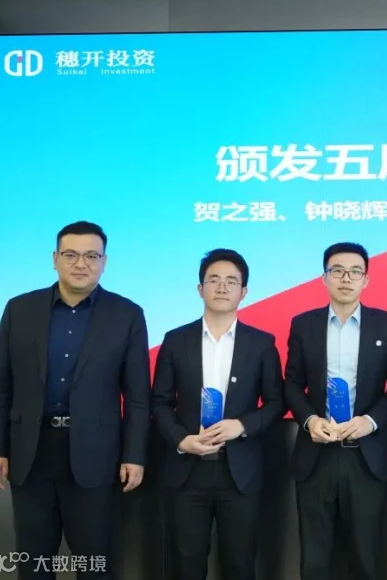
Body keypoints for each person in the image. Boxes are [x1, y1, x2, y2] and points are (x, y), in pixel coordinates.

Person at [0, 221, 150, 580]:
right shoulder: (19, 309)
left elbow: (138, 396)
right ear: (54, 259)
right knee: (34, 563)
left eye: (91, 255)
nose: (81, 263)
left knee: (94, 563)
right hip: (30, 453)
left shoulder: (127, 314)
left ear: (104, 262)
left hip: (96, 455)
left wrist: (134, 455)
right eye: (71, 254)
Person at [151, 248, 285, 580]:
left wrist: (242, 425)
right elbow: (160, 402)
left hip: (239, 471)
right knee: (186, 563)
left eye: (231, 281)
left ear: (244, 292)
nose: (222, 287)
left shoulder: (261, 344)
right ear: (200, 289)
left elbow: (276, 402)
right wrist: (181, 440)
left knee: (240, 563)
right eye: (214, 280)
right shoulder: (175, 340)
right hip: (187, 469)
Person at [284, 242, 387, 580]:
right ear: (324, 278)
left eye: (355, 272)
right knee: (314, 556)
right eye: (337, 271)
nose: (346, 278)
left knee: (366, 555)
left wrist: (371, 421)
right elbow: (291, 383)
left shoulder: (386, 324)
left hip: (366, 454)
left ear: (366, 280)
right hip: (316, 453)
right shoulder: (304, 324)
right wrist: (309, 420)